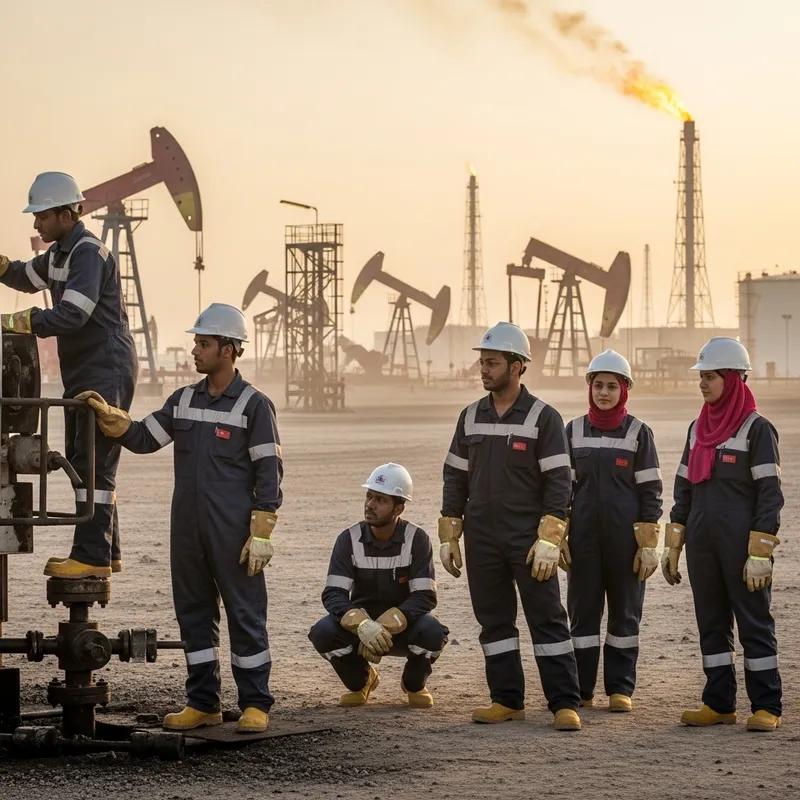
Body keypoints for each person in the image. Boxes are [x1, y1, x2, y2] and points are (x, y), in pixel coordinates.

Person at [76, 303, 282, 734]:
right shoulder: (183, 400)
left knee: (245, 613)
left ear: (228, 349)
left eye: (203, 343)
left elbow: (268, 469)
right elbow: (145, 438)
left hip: (232, 528)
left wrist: (262, 529)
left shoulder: (253, 406)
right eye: (196, 342)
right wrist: (114, 420)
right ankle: (203, 702)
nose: (194, 350)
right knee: (192, 612)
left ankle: (255, 703)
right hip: (186, 526)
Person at [439, 322, 582, 731]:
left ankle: (564, 703)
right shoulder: (470, 416)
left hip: (528, 539)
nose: (483, 369)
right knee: (494, 621)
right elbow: (455, 476)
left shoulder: (544, 418)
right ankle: (506, 699)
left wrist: (551, 537)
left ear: (517, 366)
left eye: (492, 362)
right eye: (482, 362)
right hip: (482, 536)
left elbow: (559, 481)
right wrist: (451, 531)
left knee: (547, 618)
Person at [0, 172, 137, 578]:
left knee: (94, 463)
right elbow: (28, 276)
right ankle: (105, 551)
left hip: (105, 368)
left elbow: (74, 313)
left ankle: (92, 556)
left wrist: (18, 321)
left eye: (41, 216)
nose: (36, 224)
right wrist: (4, 267)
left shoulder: (87, 253)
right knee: (86, 458)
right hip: (86, 369)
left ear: (66, 213)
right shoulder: (62, 251)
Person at [663, 337, 783, 732]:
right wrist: (675, 543)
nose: (702, 383)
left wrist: (761, 550)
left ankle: (767, 705)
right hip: (702, 541)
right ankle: (719, 704)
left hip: (741, 545)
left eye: (710, 377)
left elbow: (770, 494)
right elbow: (683, 489)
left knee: (753, 623)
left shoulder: (757, 429)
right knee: (711, 622)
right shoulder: (698, 428)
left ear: (733, 379)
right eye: (701, 377)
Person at [562, 350, 662, 712]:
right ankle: (581, 690)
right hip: (583, 541)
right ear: (590, 388)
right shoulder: (571, 431)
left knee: (625, 614)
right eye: (599, 386)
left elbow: (650, 491)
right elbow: (561, 489)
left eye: (612, 387)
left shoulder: (639, 433)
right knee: (583, 615)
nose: (604, 393)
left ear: (625, 390)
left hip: (625, 543)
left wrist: (648, 543)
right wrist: (557, 534)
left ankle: (620, 689)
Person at [309, 464, 448, 708]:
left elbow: (425, 596)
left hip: (404, 627)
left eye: (380, 499)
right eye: (369, 496)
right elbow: (334, 594)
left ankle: (414, 683)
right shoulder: (348, 539)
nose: (370, 505)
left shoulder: (417, 539)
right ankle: (363, 680)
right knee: (322, 632)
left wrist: (386, 625)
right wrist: (362, 625)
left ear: (399, 508)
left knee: (433, 632)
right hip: (360, 629)